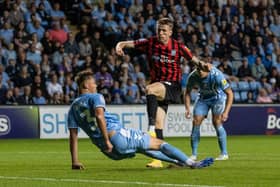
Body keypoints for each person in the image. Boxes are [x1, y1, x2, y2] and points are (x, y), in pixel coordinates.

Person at [68, 70, 214, 170]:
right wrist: (107, 140)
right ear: (86, 85)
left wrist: (75, 161)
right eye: (93, 83)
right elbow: (100, 116)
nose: (96, 85)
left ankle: (178, 161)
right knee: (161, 143)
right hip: (117, 138)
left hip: (110, 152)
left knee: (145, 149)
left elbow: (73, 136)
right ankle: (192, 163)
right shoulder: (96, 97)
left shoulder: (73, 107)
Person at [115, 17, 210, 168]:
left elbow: (194, 60)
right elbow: (131, 43)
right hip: (160, 88)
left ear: (170, 32)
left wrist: (204, 65)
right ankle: (160, 160)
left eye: (164, 30)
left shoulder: (178, 46)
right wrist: (120, 45)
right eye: (159, 30)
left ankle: (150, 129)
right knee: (160, 125)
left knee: (150, 89)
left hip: (172, 87)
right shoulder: (150, 42)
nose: (161, 33)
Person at [184, 65, 233, 161]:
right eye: (198, 70)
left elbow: (230, 93)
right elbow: (187, 92)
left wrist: (226, 112)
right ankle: (194, 154)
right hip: (203, 98)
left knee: (216, 122)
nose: (200, 72)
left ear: (207, 70)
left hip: (218, 98)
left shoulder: (217, 75)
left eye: (202, 70)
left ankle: (224, 153)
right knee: (196, 121)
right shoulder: (193, 76)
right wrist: (187, 108)